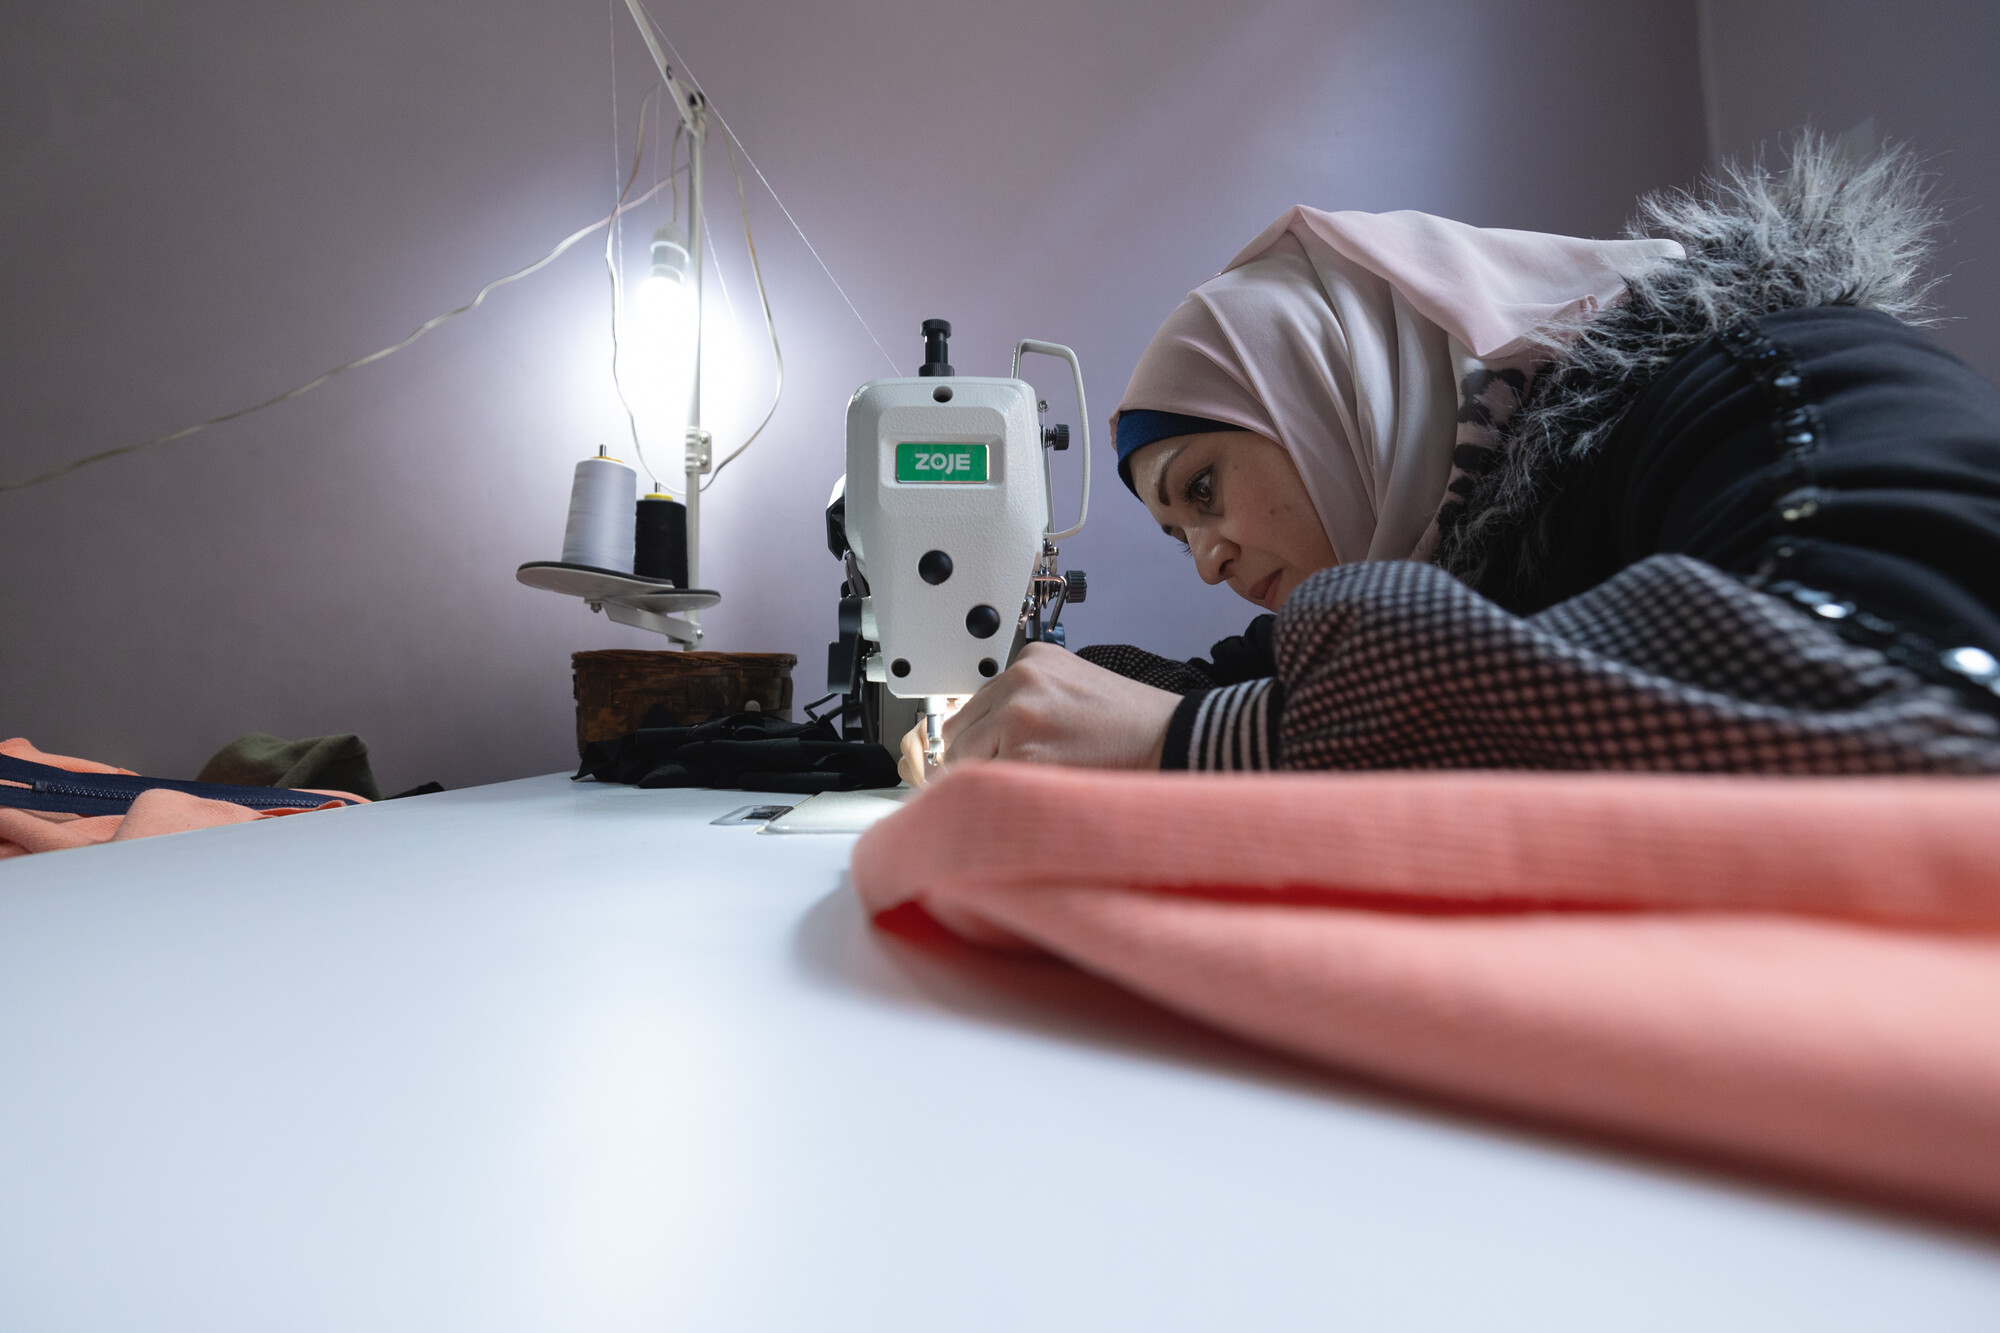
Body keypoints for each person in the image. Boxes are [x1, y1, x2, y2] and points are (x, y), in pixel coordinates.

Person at [903, 139, 2000, 784]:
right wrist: (1022, 697)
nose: (1203, 558)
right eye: (1177, 533)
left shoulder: (1770, 378)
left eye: (1201, 489)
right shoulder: (1480, 550)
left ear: (1336, 387)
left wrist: (1208, 742)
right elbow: (1257, 673)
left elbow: (1910, 696)